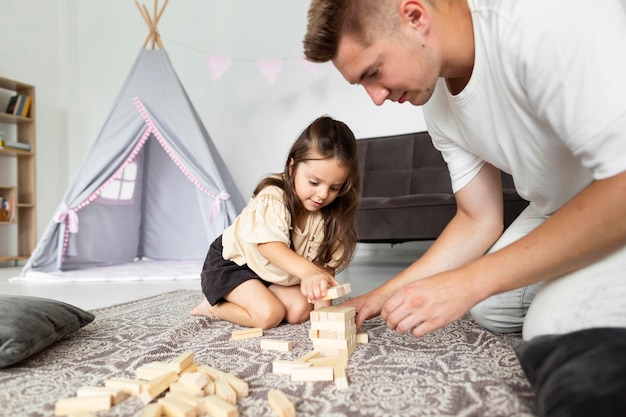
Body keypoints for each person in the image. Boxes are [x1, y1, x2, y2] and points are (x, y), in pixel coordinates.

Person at [303, 0, 626, 342]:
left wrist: (470, 281)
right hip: (561, 206)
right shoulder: (436, 104)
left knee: (550, 325)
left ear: (414, 16)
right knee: (493, 307)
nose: (376, 97)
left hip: (613, 190)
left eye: (373, 72)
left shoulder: (542, 19)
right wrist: (377, 297)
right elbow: (478, 219)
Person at [190, 115, 360, 329]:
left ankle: (260, 295)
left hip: (270, 274)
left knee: (300, 310)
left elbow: (323, 270)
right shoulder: (273, 196)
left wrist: (325, 320)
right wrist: (308, 272)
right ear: (292, 168)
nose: (323, 194)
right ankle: (214, 307)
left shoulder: (330, 215)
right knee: (269, 315)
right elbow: (270, 247)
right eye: (314, 182)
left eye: (334, 188)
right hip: (233, 263)